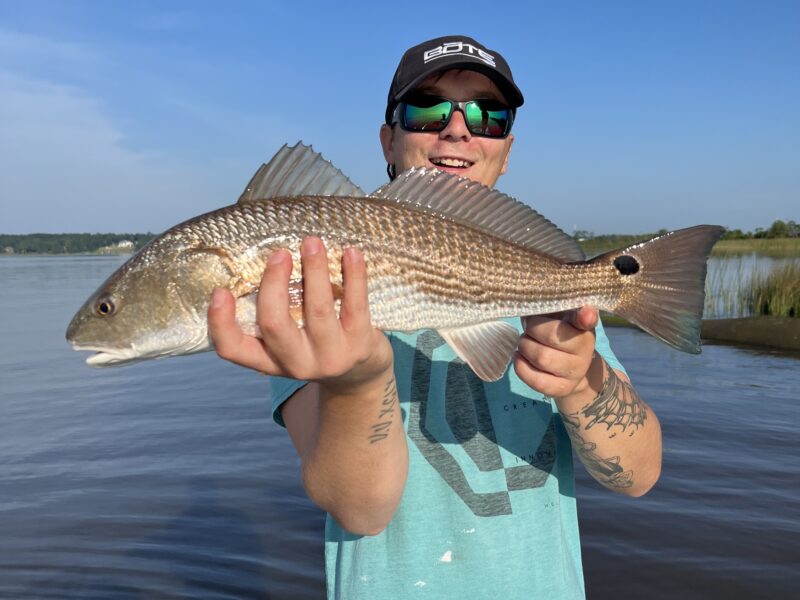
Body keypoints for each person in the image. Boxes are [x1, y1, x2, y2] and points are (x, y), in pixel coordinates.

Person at [207, 35, 662, 600]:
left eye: (487, 115)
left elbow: (639, 476)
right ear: (388, 140)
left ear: (507, 149)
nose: (457, 129)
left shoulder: (556, 291)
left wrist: (580, 381)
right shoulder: (304, 295)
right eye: (427, 109)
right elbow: (361, 509)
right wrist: (359, 379)